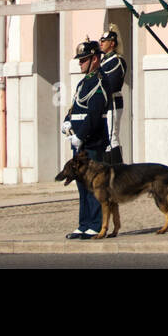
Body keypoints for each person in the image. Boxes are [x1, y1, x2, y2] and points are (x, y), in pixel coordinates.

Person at [62, 39, 109, 239]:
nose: (80, 64)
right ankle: (84, 223)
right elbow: (75, 108)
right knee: (81, 184)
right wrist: (67, 122)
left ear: (95, 59)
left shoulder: (100, 81)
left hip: (92, 141)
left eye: (84, 60)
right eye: (80, 60)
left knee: (93, 184)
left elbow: (95, 113)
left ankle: (96, 224)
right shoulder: (83, 83)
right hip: (79, 141)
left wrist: (81, 136)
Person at [98, 27, 126, 165]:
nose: (101, 43)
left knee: (112, 135)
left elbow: (112, 84)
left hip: (113, 100)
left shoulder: (117, 61)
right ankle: (109, 167)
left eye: (105, 41)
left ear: (112, 43)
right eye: (101, 40)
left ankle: (118, 168)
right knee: (106, 137)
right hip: (104, 103)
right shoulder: (102, 61)